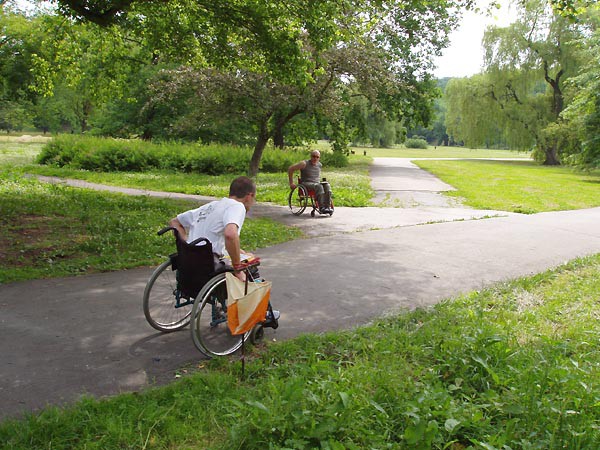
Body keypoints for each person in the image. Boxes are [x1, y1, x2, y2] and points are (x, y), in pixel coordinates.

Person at [168, 176, 256, 282]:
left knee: (245, 255)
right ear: (249, 196)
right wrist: (238, 269)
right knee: (252, 265)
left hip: (189, 259)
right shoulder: (237, 206)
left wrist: (187, 244)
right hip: (209, 264)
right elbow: (230, 234)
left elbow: (175, 222)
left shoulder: (212, 206)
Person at [287, 149, 332, 214]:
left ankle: (327, 207)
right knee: (319, 186)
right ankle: (321, 207)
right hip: (306, 183)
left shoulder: (319, 165)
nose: (315, 158)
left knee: (327, 185)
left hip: (316, 184)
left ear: (319, 158)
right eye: (313, 156)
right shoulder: (304, 163)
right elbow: (291, 169)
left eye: (317, 157)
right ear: (311, 156)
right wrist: (291, 183)